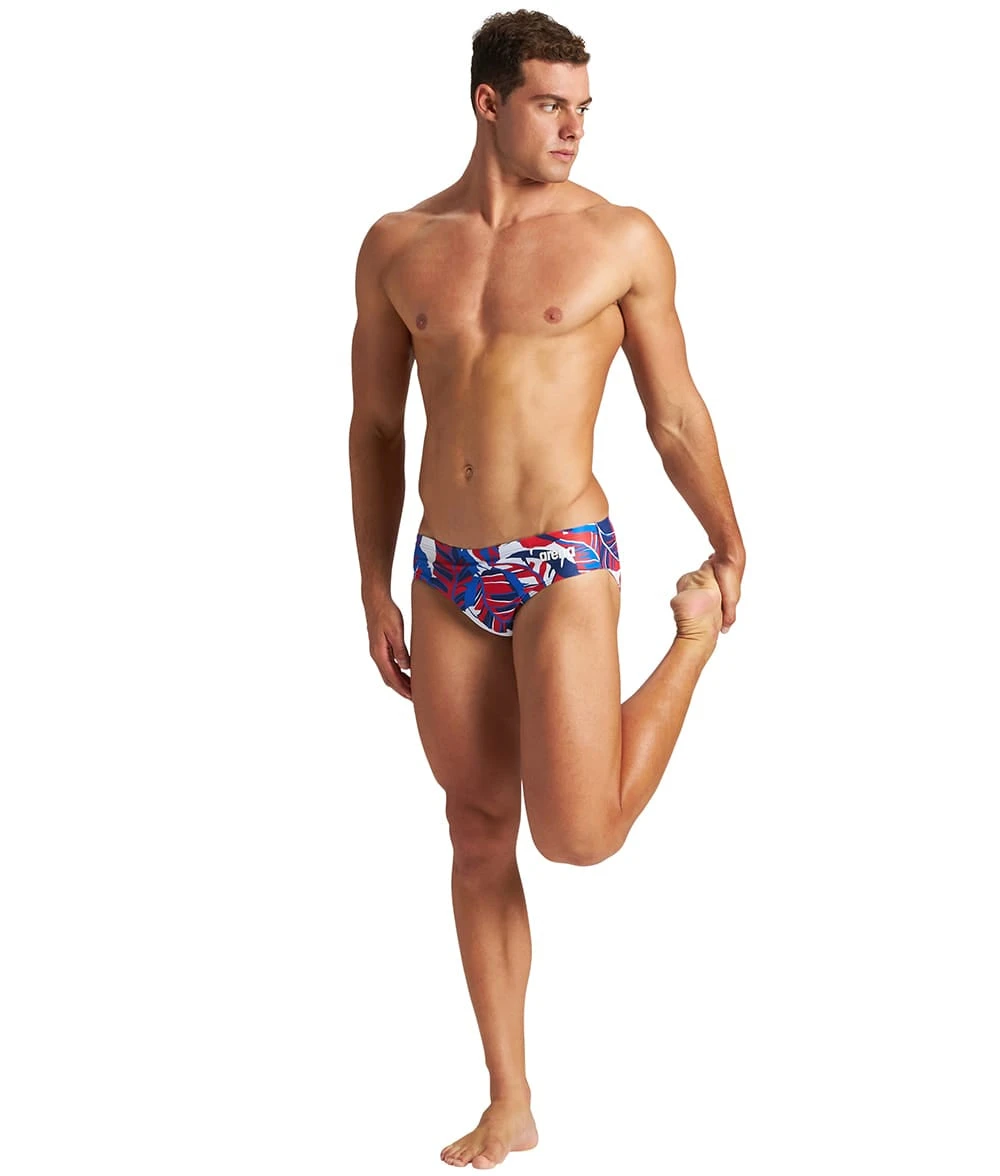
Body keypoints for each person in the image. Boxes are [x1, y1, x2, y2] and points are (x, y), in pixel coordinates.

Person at [349, 9, 746, 1168]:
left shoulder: (621, 238)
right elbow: (375, 426)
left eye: (583, 109)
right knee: (478, 832)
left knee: (579, 836)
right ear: (489, 103)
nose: (574, 128)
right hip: (446, 572)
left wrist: (729, 541)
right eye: (549, 106)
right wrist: (371, 585)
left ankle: (692, 646)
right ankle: (509, 1099)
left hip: (562, 556)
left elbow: (674, 415)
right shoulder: (398, 245)